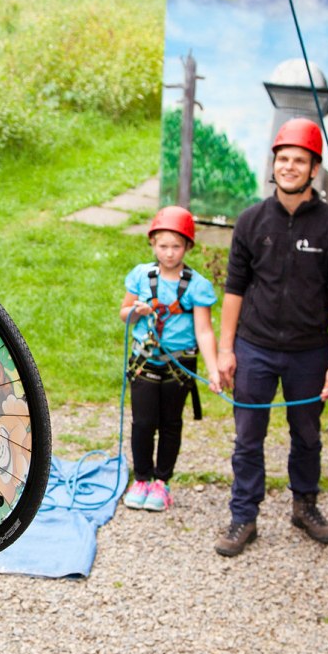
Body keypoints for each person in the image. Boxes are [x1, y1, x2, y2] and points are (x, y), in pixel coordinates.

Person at [214, 118, 328, 557]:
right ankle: (244, 516)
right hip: (254, 348)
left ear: (314, 168)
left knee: (308, 435)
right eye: (283, 159)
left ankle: (305, 505)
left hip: (309, 353)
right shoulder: (251, 221)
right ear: (273, 164)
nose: (290, 167)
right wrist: (225, 349)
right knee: (248, 437)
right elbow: (234, 288)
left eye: (299, 160)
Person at [119, 206, 221, 512]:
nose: (169, 253)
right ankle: (142, 478)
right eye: (163, 246)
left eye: (177, 246)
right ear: (152, 245)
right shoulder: (141, 276)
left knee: (170, 423)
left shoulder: (197, 286)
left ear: (188, 247)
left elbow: (204, 331)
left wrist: (214, 371)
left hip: (179, 365)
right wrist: (137, 311)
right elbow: (124, 314)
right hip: (145, 359)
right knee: (144, 422)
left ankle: (162, 482)